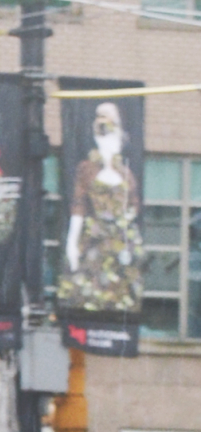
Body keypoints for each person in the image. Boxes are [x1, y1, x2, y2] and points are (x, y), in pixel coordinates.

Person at [62, 101, 142, 318]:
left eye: (114, 133)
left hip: (119, 246)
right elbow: (78, 206)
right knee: (87, 296)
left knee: (117, 299)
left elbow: (133, 208)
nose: (111, 139)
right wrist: (72, 242)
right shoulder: (87, 170)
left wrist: (129, 243)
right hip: (94, 243)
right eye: (105, 133)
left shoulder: (126, 174)